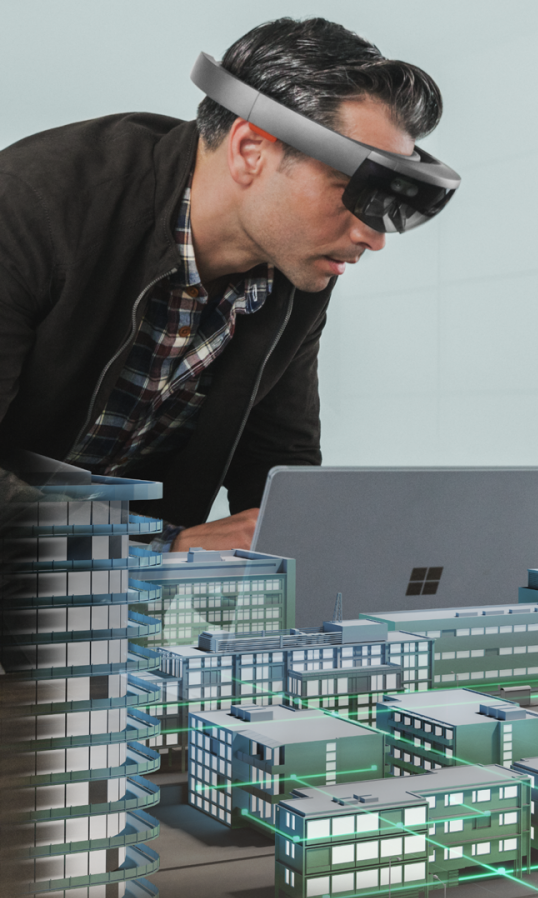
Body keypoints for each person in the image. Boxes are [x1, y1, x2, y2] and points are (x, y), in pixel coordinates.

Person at [0, 18, 456, 551]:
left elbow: (277, 471)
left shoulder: (295, 267)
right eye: (350, 192)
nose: (371, 237)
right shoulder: (31, 209)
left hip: (116, 602)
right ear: (250, 151)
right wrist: (164, 550)